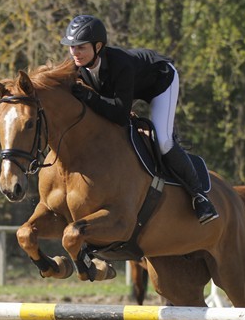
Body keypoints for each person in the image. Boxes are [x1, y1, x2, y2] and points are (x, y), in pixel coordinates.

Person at [60, 15, 218, 225]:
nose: (75, 53)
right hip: (132, 87)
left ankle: (199, 196)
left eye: (81, 47)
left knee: (163, 140)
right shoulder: (76, 67)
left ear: (98, 46)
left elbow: (119, 113)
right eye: (72, 47)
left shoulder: (120, 65)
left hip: (161, 82)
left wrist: (89, 96)